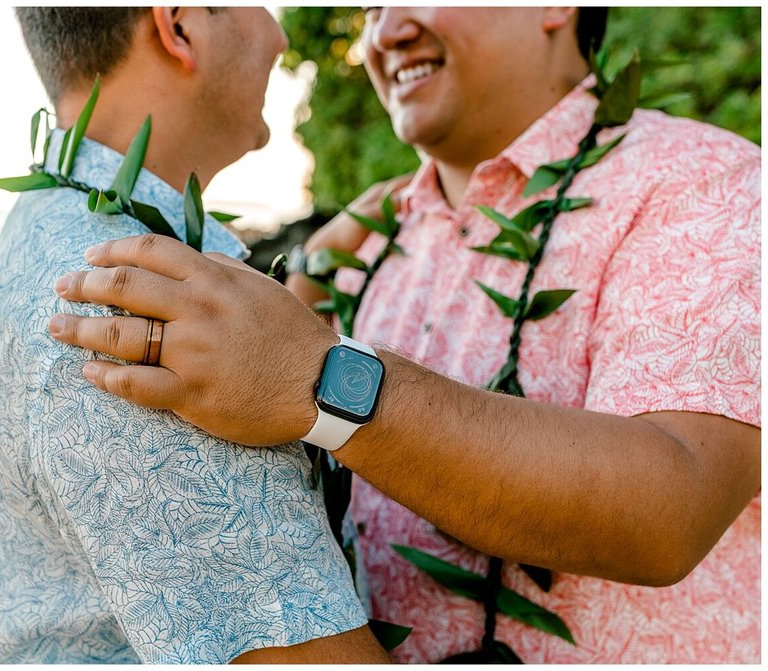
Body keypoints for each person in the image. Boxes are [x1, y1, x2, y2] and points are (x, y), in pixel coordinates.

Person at [47, 7, 761, 663]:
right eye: (372, 7)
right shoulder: (361, 245)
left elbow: (671, 509)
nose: (384, 34)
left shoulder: (710, 184)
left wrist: (322, 378)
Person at [0, 7, 390, 664]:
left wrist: (306, 284)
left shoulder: (44, 221)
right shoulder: (146, 310)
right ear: (179, 25)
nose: (279, 35)